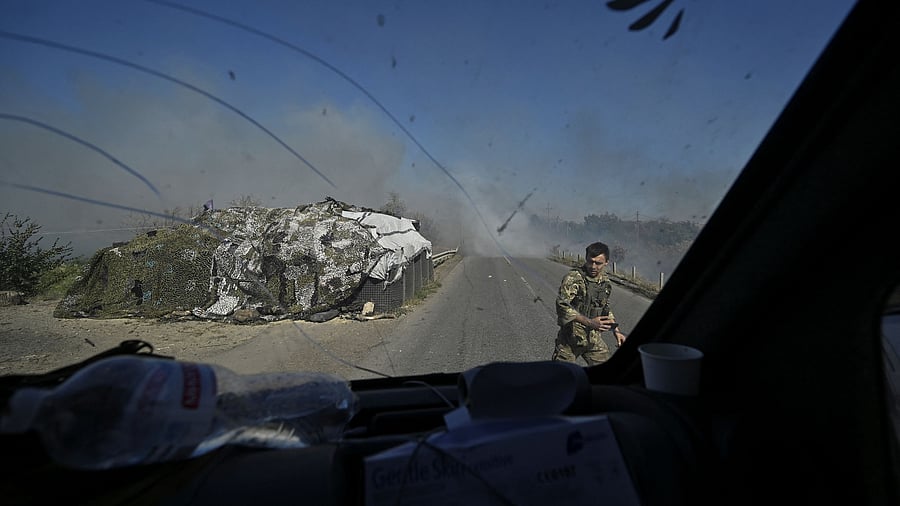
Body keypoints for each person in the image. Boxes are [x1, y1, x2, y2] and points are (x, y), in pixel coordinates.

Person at [552, 241, 627, 366]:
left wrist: (616, 331)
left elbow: (605, 309)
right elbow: (562, 305)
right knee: (560, 377)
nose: (593, 266)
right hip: (570, 339)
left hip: (592, 339)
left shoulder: (604, 282)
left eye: (598, 263)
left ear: (606, 262)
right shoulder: (574, 278)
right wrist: (590, 322)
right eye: (590, 261)